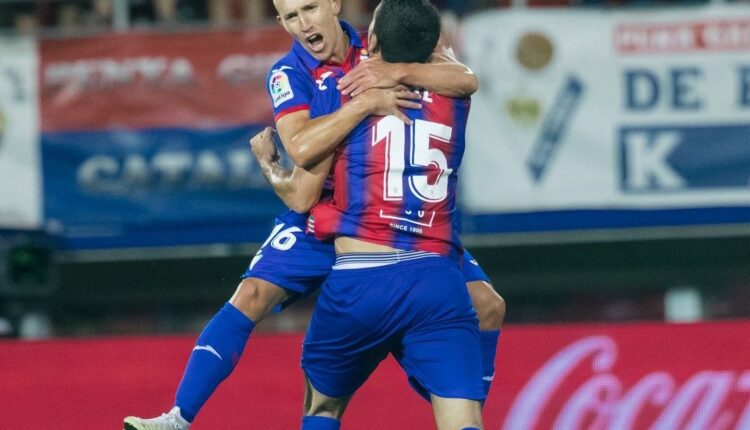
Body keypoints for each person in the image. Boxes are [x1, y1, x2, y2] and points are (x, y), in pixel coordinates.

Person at [123, 0, 503, 428]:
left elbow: (465, 77)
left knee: (488, 304)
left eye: (309, 9)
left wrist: (396, 72)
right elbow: (302, 174)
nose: (303, 24)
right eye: (289, 17)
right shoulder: (289, 74)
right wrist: (357, 109)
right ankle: (177, 417)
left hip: (381, 215)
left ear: (333, 5)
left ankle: (467, 399)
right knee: (251, 296)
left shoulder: (375, 50)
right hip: (323, 212)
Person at [291, 1, 484, 428]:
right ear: (437, 44)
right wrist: (405, 68)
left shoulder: (346, 88)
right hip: (436, 279)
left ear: (372, 41)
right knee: (463, 418)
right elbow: (467, 77)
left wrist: (272, 167)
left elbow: (302, 185)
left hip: (361, 276)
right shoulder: (456, 95)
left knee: (323, 407)